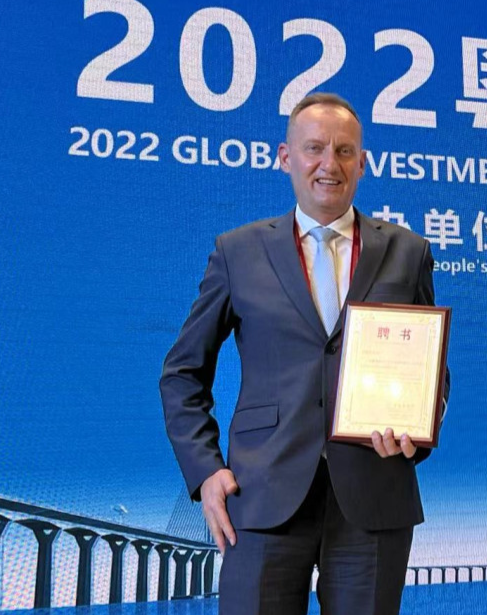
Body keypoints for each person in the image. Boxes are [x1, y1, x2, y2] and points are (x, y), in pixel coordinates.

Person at [160, 92, 447, 615]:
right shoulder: (238, 251)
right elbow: (182, 373)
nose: (329, 164)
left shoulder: (408, 251)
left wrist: (415, 435)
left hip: (375, 495)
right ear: (285, 157)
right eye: (314, 148)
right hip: (261, 493)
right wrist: (205, 471)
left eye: (344, 150)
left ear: (363, 162)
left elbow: (432, 371)